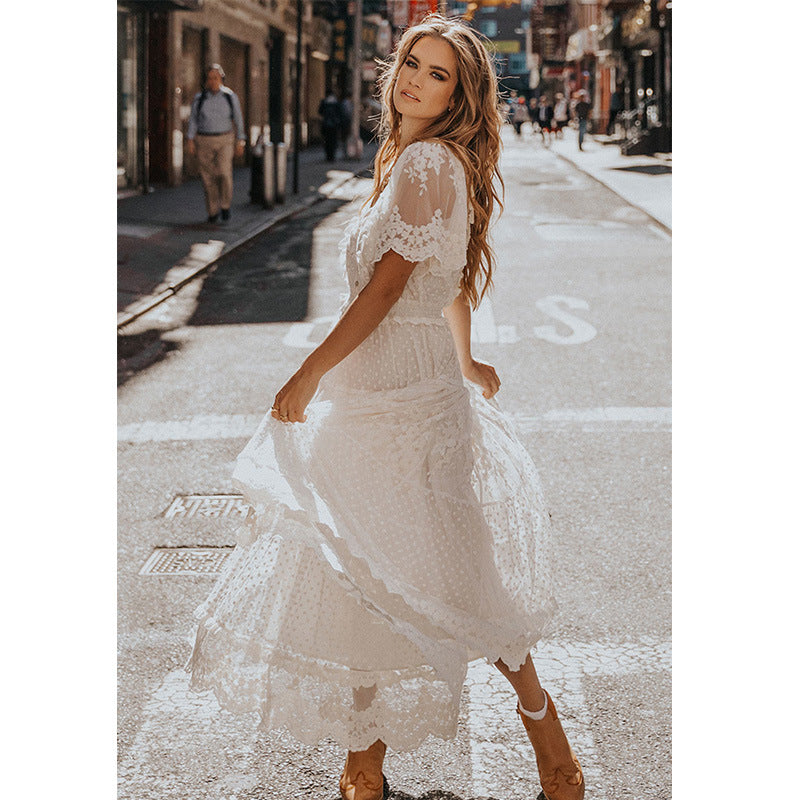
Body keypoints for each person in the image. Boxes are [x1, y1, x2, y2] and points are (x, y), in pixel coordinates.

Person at [186, 14, 585, 800]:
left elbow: (390, 287)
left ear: (460, 93)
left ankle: (552, 749)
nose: (415, 81)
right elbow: (452, 278)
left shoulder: (428, 161)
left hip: (398, 396)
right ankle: (366, 763)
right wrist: (465, 358)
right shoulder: (417, 159)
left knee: (444, 575)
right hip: (398, 383)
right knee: (362, 572)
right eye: (412, 64)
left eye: (438, 74)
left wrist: (308, 372)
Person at [187, 64, 246, 223]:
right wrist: (190, 139)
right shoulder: (199, 99)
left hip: (225, 139)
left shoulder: (229, 96)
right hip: (204, 139)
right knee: (208, 178)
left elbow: (238, 119)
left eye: (216, 78)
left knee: (224, 173)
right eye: (210, 78)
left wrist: (241, 140)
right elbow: (193, 120)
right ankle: (213, 211)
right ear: (206, 80)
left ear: (221, 79)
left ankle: (225, 205)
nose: (213, 81)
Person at [319, 91, 342, 161]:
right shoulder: (336, 103)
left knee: (327, 141)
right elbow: (340, 113)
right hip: (334, 125)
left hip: (326, 124)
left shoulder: (324, 102)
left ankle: (328, 156)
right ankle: (332, 156)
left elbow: (320, 111)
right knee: (333, 141)